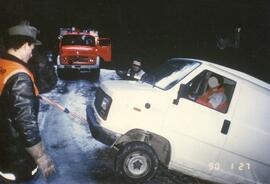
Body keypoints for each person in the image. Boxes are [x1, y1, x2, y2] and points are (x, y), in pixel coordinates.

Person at [0, 21, 55, 183]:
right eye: (31, 48)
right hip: (17, 159)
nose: (32, 53)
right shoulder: (20, 76)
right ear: (24, 45)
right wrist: (41, 157)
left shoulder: (4, 65)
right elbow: (26, 125)